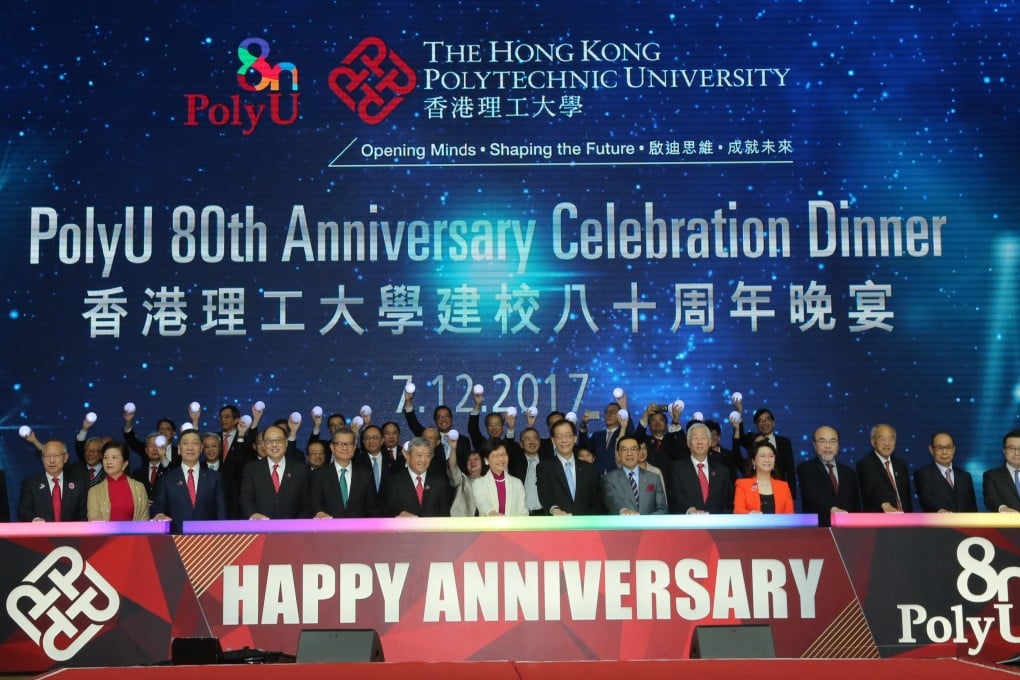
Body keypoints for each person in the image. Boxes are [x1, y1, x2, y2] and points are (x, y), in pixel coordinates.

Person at [151, 430, 227, 533]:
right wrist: (159, 515)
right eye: (185, 443)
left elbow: (221, 514)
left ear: (201, 449)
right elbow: (159, 506)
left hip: (209, 541)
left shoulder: (215, 477)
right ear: (179, 449)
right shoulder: (166, 479)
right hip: (176, 541)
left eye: (195, 443)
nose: (190, 447)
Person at [240, 424, 311, 519]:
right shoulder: (251, 469)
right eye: (269, 441)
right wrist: (253, 514)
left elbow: (307, 504)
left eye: (278, 440)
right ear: (264, 444)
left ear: (286, 442)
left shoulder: (301, 470)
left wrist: (296, 526)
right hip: (260, 528)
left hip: (293, 530)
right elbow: (246, 499)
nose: (274, 444)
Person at [537, 418, 604, 515]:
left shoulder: (590, 469)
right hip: (559, 524)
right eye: (559, 436)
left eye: (568, 436)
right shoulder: (544, 467)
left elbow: (598, 500)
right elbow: (545, 494)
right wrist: (555, 510)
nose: (564, 440)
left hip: (587, 526)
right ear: (553, 440)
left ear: (575, 438)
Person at [797, 425, 861, 526]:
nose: (828, 446)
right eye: (822, 441)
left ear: (838, 444)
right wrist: (832, 509)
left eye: (832, 441)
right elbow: (812, 496)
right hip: (818, 530)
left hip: (848, 531)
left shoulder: (849, 473)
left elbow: (855, 506)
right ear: (814, 445)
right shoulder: (805, 469)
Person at [731, 402, 797, 499]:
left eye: (767, 419)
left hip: (780, 490)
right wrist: (739, 413)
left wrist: (791, 494)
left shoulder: (784, 442)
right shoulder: (752, 440)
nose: (764, 423)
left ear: (773, 422)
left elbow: (790, 470)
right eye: (760, 421)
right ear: (757, 425)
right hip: (757, 490)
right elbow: (739, 441)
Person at [402, 385, 471, 474]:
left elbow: (467, 464)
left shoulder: (464, 440)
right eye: (439, 417)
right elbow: (413, 423)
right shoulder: (428, 437)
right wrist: (408, 401)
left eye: (446, 416)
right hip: (434, 483)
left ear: (452, 419)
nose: (443, 420)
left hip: (458, 484)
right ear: (435, 420)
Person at [668, 422, 733, 514]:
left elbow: (728, 503)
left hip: (716, 525)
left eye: (703, 438)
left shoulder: (722, 471)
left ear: (709, 442)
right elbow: (674, 497)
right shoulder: (676, 468)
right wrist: (689, 510)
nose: (699, 442)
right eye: (695, 438)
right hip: (688, 524)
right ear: (688, 443)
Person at [311, 428, 377, 518]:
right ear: (332, 447)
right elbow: (314, 504)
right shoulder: (319, 475)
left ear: (354, 448)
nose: (345, 448)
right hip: (328, 528)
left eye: (349, 444)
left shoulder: (366, 474)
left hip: (359, 529)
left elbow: (372, 508)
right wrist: (319, 513)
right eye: (340, 444)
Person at [18, 440, 88, 522]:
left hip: (70, 534)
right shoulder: (30, 484)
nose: (51, 460)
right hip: (41, 533)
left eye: (56, 456)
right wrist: (35, 519)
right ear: (42, 459)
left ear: (65, 458)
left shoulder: (78, 486)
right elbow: (23, 510)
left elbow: (83, 516)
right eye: (47, 456)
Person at [385, 436, 453, 517]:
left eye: (427, 455)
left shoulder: (440, 483)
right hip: (404, 529)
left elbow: (445, 516)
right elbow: (388, 511)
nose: (423, 460)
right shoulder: (394, 481)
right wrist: (399, 514)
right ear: (408, 455)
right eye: (419, 455)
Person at [913, 432, 977, 513]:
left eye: (948, 447)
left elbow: (972, 509)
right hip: (939, 524)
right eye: (939, 448)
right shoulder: (923, 474)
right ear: (931, 450)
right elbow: (926, 498)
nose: (945, 452)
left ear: (954, 449)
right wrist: (940, 510)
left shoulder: (965, 476)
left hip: (963, 524)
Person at [603, 436, 668, 515]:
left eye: (633, 449)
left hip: (648, 526)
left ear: (638, 452)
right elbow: (611, 499)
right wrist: (623, 510)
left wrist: (645, 522)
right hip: (622, 526)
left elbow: (662, 508)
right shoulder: (609, 478)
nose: (629, 453)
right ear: (618, 454)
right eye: (624, 450)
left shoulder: (654, 478)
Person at [856, 424, 913, 512]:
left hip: (904, 520)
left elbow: (906, 497)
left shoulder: (901, 464)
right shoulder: (865, 464)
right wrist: (884, 504)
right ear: (873, 442)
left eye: (891, 439)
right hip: (880, 520)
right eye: (882, 439)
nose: (887, 443)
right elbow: (871, 488)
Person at [87, 441, 149, 521]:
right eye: (106, 458)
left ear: (125, 463)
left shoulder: (139, 488)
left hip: (135, 533)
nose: (108, 462)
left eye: (114, 457)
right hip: (105, 533)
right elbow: (93, 521)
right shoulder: (94, 491)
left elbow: (144, 521)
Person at [580, 395, 635, 475]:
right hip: (598, 479)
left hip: (617, 478)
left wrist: (624, 408)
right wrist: (583, 424)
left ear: (620, 415)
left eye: (613, 412)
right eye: (607, 412)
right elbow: (583, 445)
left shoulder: (624, 433)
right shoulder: (597, 435)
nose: (609, 415)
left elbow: (631, 433)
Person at [734, 441, 794, 514]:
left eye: (771, 456)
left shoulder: (783, 486)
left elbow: (790, 515)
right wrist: (750, 514)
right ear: (753, 461)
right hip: (753, 525)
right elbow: (737, 511)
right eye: (762, 456)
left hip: (779, 525)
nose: (767, 459)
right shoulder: (742, 484)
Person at [473, 439, 528, 516]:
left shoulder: (517, 483)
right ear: (486, 460)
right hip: (488, 527)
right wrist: (492, 513)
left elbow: (524, 512)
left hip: (513, 527)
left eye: (503, 454)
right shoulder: (478, 483)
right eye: (495, 455)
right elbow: (482, 502)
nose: (501, 459)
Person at [982, 430, 1020, 512]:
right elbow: (990, 499)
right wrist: (1002, 509)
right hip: (1006, 523)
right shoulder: (991, 476)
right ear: (1004, 451)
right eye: (1012, 448)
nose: (1017, 453)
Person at [512, 427, 546, 515]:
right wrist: (511, 429)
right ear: (521, 444)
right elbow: (508, 444)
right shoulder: (515, 462)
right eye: (527, 439)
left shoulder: (548, 463)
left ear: (539, 442)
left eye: (535, 438)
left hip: (545, 514)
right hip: (520, 514)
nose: (532, 442)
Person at [130, 432, 168, 499]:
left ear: (164, 449)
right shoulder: (137, 474)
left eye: (158, 445)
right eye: (151, 445)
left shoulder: (170, 471)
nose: (154, 449)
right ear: (146, 450)